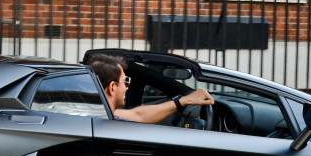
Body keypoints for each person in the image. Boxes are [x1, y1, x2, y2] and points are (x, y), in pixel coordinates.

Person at [85, 52, 214, 124]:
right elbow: (138, 115)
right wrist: (184, 101)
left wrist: (183, 101)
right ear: (113, 87)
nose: (127, 87)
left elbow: (137, 114)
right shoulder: (102, 118)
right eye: (125, 81)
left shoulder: (91, 113)